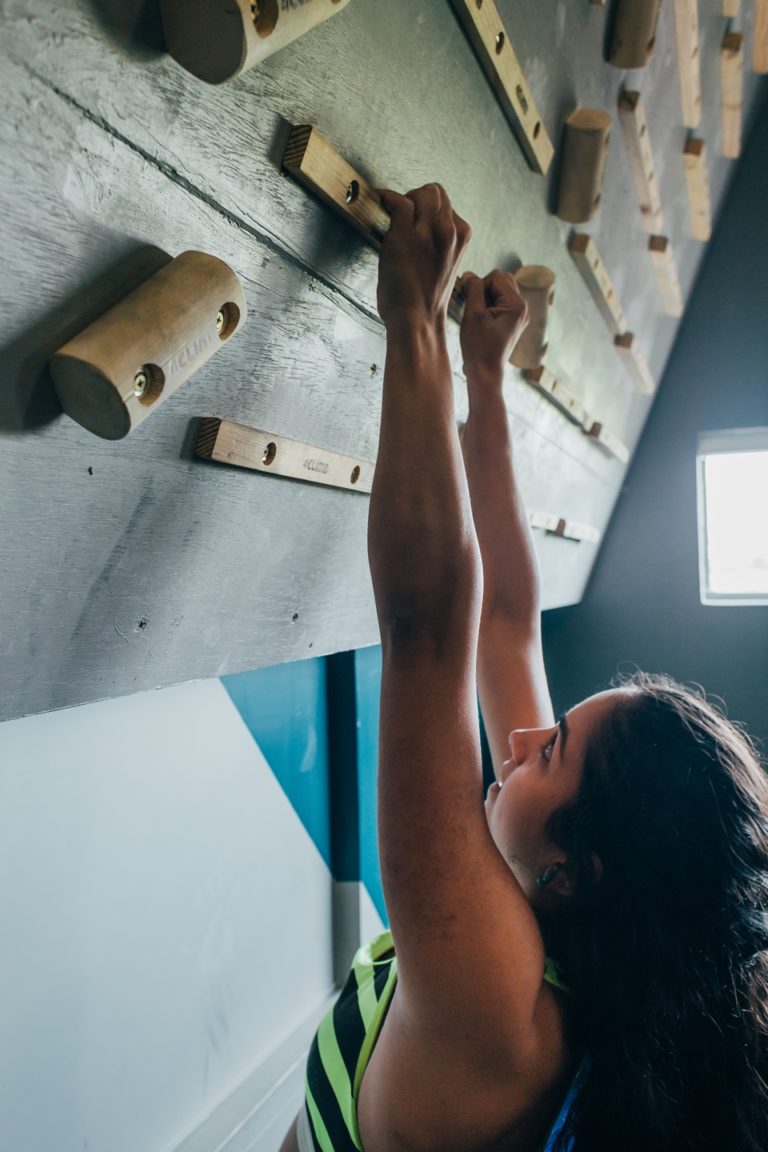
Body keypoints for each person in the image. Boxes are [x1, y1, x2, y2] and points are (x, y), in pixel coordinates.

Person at [281, 184, 768, 1152]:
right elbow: (506, 626)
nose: (517, 736)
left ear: (579, 869)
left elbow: (427, 628)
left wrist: (412, 316)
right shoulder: (559, 922)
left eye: (549, 751)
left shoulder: (499, 998)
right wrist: (484, 376)